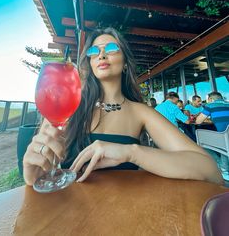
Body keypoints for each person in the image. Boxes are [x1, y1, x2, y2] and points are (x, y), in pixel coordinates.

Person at [23, 28, 223, 185]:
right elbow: (42, 174)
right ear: (90, 63)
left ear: (126, 62)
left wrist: (132, 152)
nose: (101, 55)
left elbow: (210, 171)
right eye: (94, 51)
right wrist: (34, 174)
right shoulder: (68, 108)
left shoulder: (140, 111)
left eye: (110, 49)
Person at [196, 91, 229, 180]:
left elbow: (198, 121)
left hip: (224, 138)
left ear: (211, 99)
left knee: (201, 142)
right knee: (223, 138)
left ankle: (224, 168)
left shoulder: (210, 105)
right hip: (226, 135)